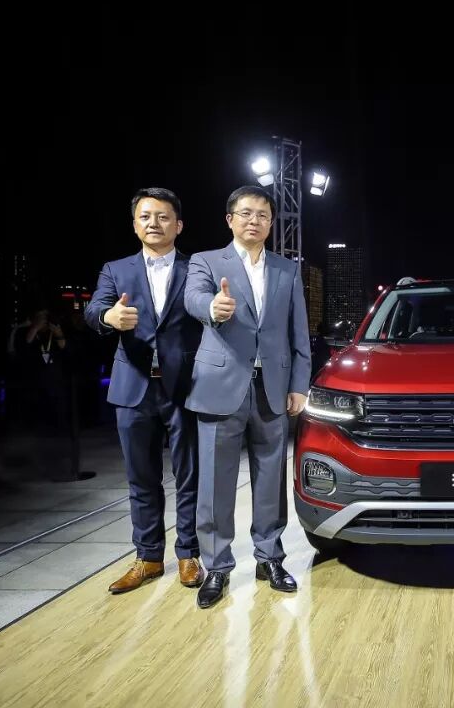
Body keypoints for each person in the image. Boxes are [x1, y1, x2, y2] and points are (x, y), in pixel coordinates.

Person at [184, 185, 311, 608]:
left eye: (262, 215)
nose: (254, 220)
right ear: (230, 219)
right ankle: (217, 566)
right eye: (246, 213)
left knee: (271, 478)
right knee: (215, 482)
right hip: (220, 386)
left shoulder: (287, 269)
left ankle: (269, 558)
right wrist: (213, 307)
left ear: (271, 223)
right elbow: (193, 298)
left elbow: (299, 332)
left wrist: (299, 384)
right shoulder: (206, 261)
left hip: (272, 387)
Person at [85, 187, 204, 594]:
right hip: (133, 386)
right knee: (141, 478)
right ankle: (149, 557)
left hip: (185, 387)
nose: (154, 223)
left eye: (163, 216)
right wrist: (109, 315)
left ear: (178, 225)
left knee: (190, 475)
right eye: (146, 216)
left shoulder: (196, 267)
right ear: (135, 225)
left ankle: (188, 554)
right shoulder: (116, 269)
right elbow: (93, 310)